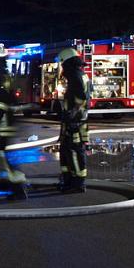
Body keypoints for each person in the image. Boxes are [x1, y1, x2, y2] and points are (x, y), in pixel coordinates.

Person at [0, 44, 26, 197]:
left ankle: (17, 184)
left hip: (1, 121)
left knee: (0, 154)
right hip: (8, 120)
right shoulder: (5, 74)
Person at [57, 47, 91, 193]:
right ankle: (68, 180)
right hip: (76, 121)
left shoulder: (75, 75)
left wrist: (72, 116)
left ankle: (77, 183)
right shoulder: (81, 74)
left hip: (74, 122)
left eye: (62, 64)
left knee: (74, 151)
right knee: (66, 151)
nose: (62, 68)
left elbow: (80, 99)